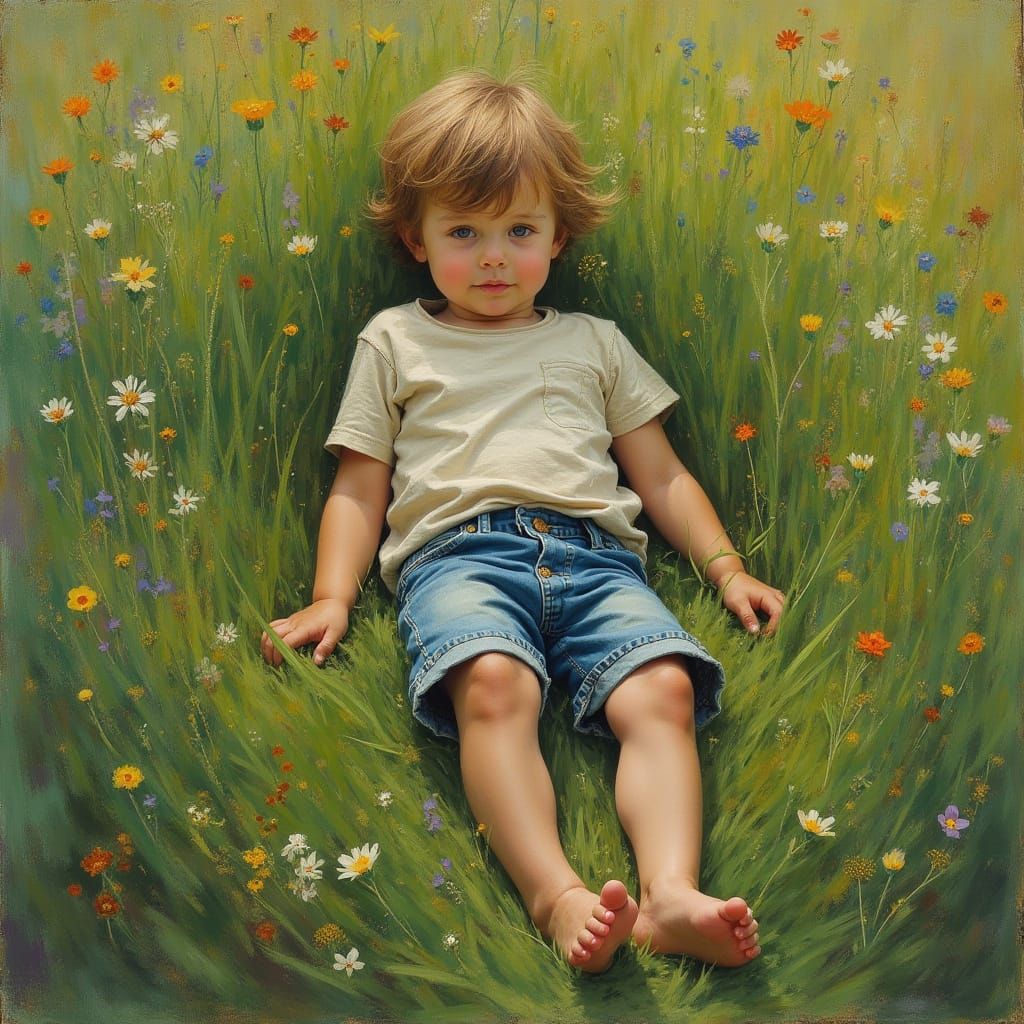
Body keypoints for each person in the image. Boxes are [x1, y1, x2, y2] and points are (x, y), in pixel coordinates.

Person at [261, 69, 784, 973]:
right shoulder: (396, 340)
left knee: (659, 688)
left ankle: (669, 893)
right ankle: (558, 895)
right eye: (463, 231)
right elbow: (361, 482)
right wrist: (330, 595)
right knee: (493, 685)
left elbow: (658, 474)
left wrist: (727, 567)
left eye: (519, 230)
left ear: (559, 234)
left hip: (597, 563)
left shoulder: (594, 342)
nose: (494, 256)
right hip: (460, 560)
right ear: (414, 238)